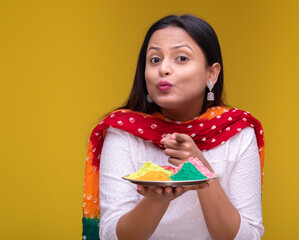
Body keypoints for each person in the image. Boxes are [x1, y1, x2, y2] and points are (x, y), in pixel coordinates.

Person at [82, 14, 265, 240]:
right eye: (155, 60)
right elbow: (110, 236)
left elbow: (248, 237)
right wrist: (157, 200)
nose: (164, 69)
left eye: (181, 58)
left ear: (212, 74)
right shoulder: (124, 131)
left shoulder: (237, 131)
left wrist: (200, 168)